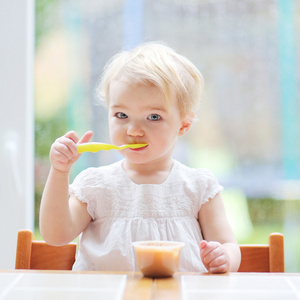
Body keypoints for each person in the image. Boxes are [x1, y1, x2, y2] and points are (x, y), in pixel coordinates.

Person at [40, 42, 241, 273]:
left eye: (153, 117)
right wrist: (59, 172)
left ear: (183, 125)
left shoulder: (198, 187)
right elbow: (55, 235)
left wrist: (224, 256)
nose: (133, 130)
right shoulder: (96, 185)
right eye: (122, 115)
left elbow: (229, 245)